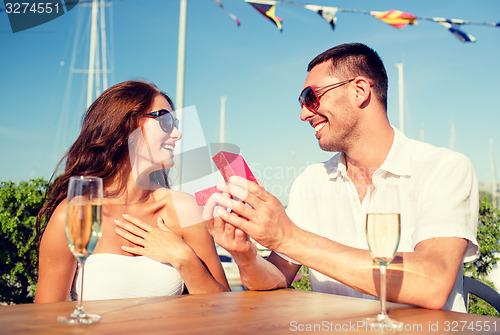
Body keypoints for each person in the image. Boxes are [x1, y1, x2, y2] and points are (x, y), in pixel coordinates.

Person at [203, 43, 478, 312]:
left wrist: (287, 237)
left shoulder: (445, 168)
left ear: (359, 90)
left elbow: (432, 283)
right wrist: (245, 255)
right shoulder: (311, 182)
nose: (303, 114)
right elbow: (275, 279)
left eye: (311, 96)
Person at [35, 80, 229, 303]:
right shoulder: (74, 213)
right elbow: (46, 317)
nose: (177, 134)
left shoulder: (184, 209)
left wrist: (183, 257)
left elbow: (222, 307)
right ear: (127, 124)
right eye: (166, 121)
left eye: (175, 123)